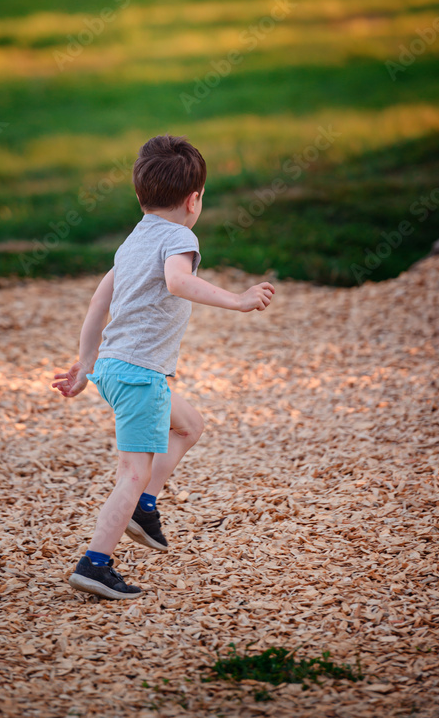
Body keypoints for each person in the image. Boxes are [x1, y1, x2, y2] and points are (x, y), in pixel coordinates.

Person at [53, 134, 275, 600]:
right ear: (194, 200)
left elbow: (98, 302)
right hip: (139, 374)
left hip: (114, 369)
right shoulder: (180, 237)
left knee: (190, 425)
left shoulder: (132, 240)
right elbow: (177, 281)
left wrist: (86, 364)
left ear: (140, 196)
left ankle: (144, 508)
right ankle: (96, 563)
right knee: (132, 473)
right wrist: (238, 300)